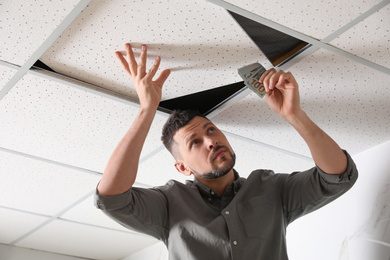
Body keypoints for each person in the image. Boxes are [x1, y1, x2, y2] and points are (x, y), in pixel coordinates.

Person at [95, 43, 358, 259]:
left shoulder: (271, 189)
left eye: (211, 130)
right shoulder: (169, 203)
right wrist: (146, 110)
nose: (211, 141)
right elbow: (111, 197)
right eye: (195, 142)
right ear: (182, 167)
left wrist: (295, 115)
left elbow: (338, 176)